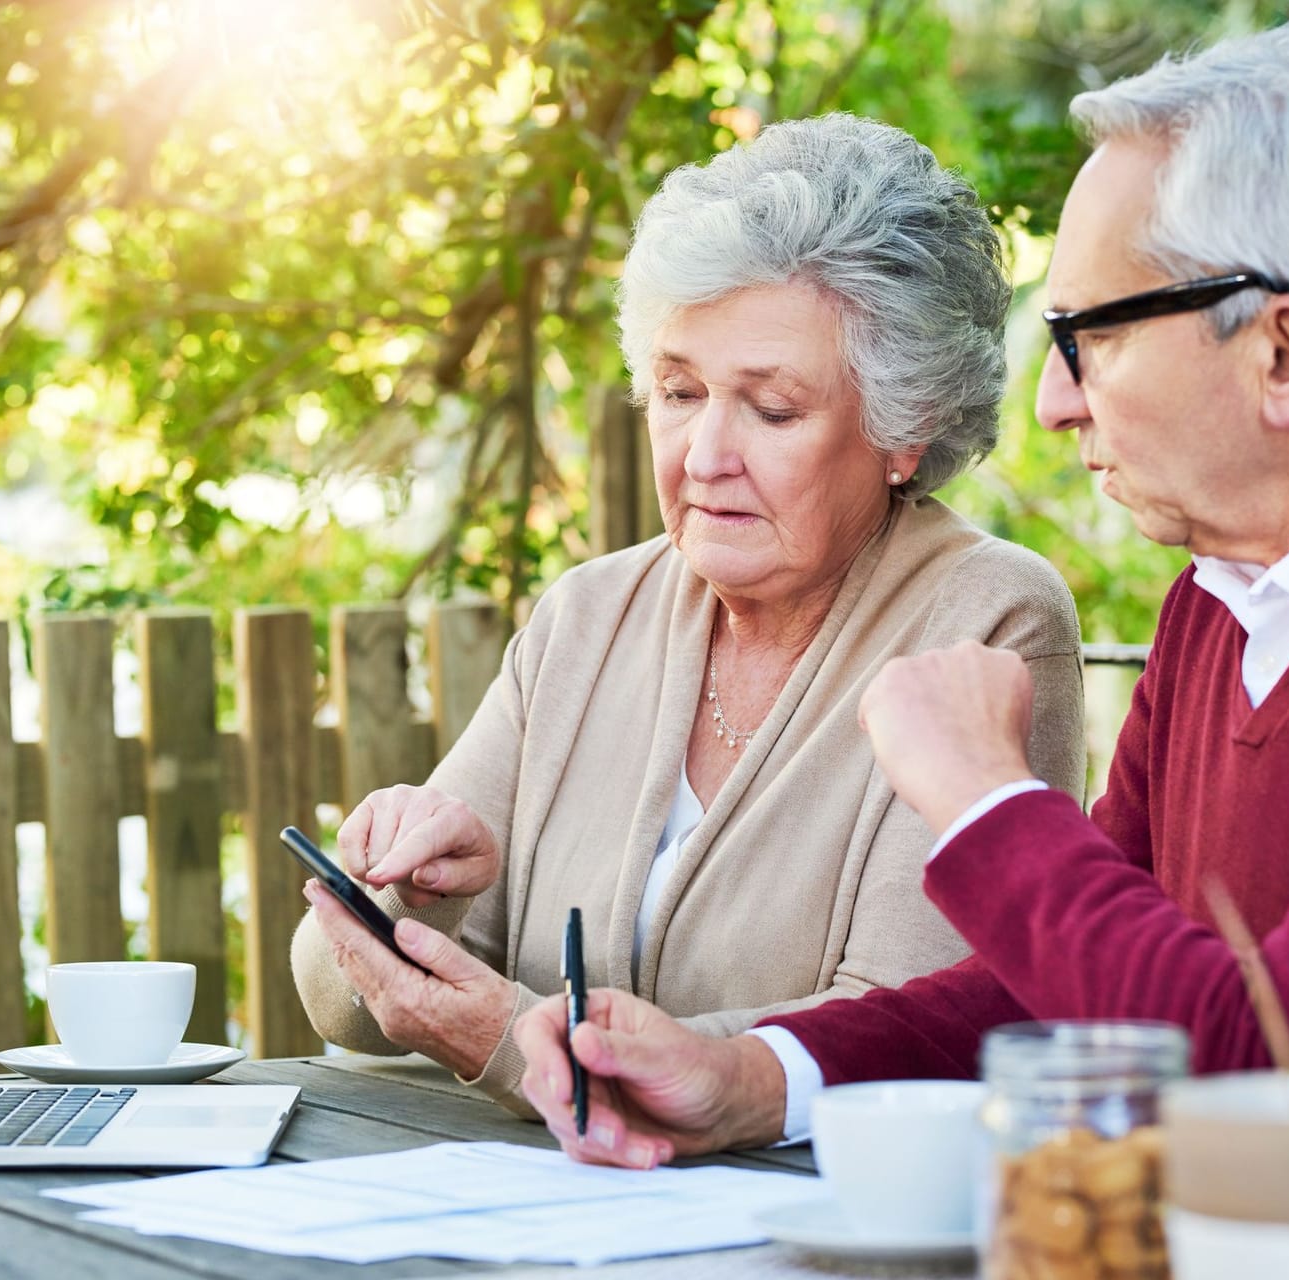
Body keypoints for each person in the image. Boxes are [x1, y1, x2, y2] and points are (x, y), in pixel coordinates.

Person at [511, 24, 1289, 1277]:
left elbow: (1276, 1071)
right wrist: (750, 1075)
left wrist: (988, 801)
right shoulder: (1228, 597)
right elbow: (1069, 988)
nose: (1053, 401)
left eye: (1090, 335)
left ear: (1285, 352)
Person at [290, 113, 1087, 1117]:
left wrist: (512, 1041)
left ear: (905, 425)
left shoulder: (986, 616)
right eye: (678, 390)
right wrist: (407, 888)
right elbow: (338, 1000)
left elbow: (911, 1028)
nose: (703, 454)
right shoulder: (587, 616)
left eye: (772, 407)